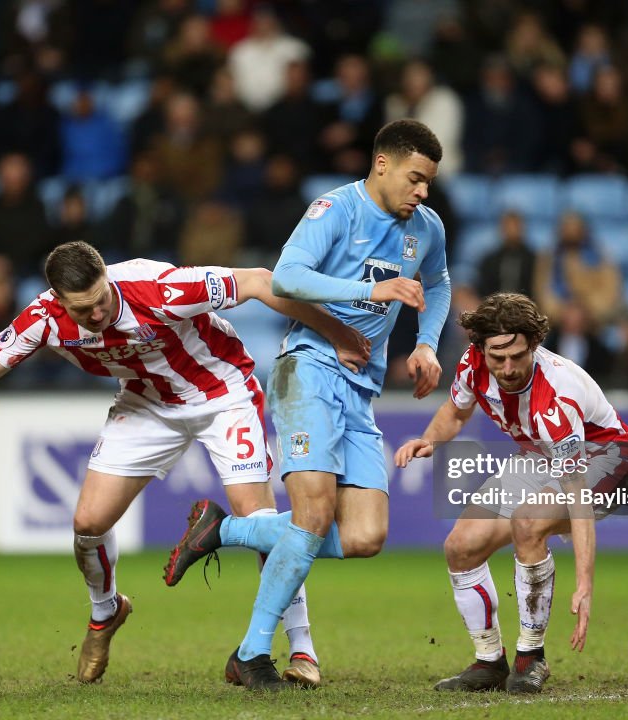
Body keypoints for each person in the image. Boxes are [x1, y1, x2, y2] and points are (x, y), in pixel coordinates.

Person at [0, 241, 370, 686]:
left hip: (222, 394)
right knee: (88, 522)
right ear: (59, 301)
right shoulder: (43, 320)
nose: (97, 315)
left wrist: (338, 334)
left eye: (102, 300)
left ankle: (301, 648)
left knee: (259, 523)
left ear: (108, 278)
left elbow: (259, 281)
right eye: (83, 310)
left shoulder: (158, 288)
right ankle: (106, 612)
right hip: (146, 404)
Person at [164, 119, 452, 690]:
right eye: (416, 179)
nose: (423, 192)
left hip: (360, 389)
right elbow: (287, 277)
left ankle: (224, 533)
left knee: (367, 537)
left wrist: (425, 343)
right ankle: (250, 654)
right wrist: (372, 291)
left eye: (429, 184)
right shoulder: (336, 211)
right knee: (314, 517)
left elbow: (438, 284)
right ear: (382, 164)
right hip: (309, 370)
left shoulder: (427, 227)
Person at [394, 292, 628, 693]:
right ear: (481, 349)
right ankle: (489, 661)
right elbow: (456, 412)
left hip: (606, 461)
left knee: (528, 522)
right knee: (461, 546)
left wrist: (585, 584)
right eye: (498, 358)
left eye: (517, 357)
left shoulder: (555, 399)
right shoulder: (474, 364)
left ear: (534, 347)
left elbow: (578, 498)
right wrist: (430, 441)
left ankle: (531, 658)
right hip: (539, 454)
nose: (507, 368)